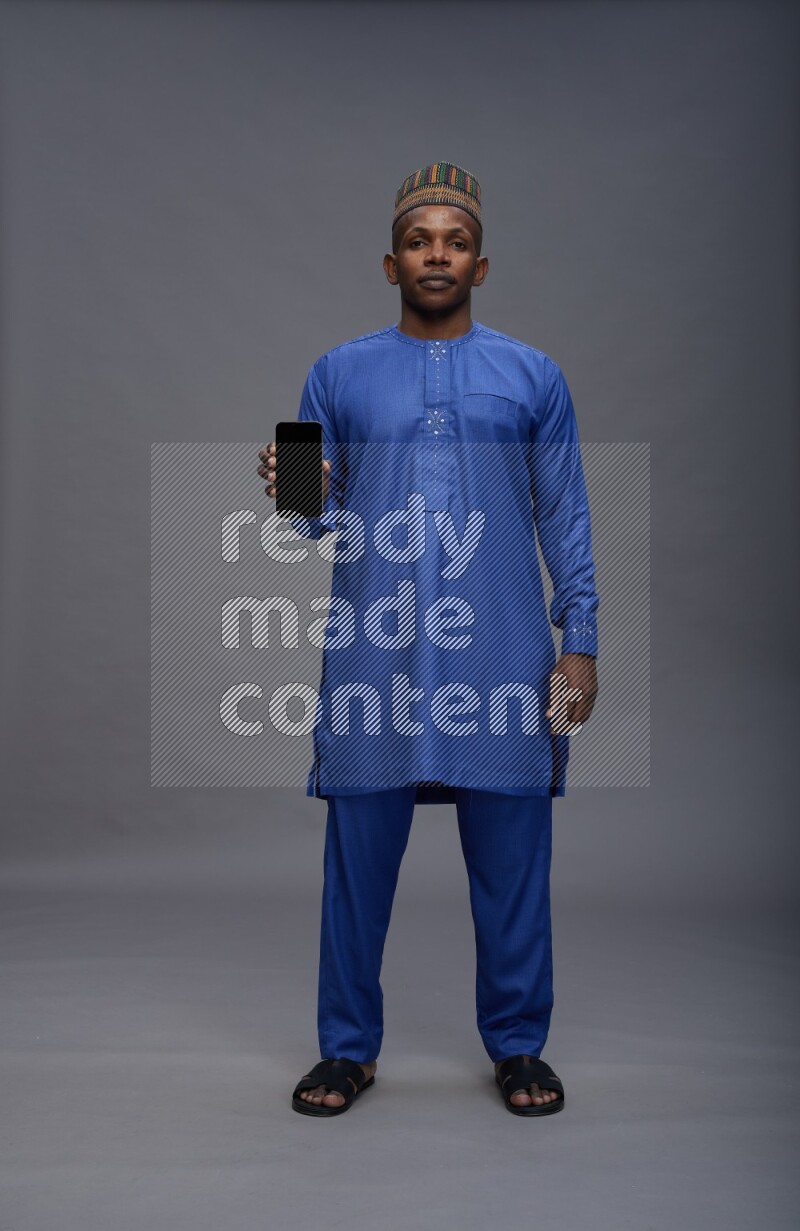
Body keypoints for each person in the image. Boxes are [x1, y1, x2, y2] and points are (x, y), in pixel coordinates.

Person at [257, 161, 599, 1117]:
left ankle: (520, 1046)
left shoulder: (534, 375)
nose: (436, 254)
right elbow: (310, 518)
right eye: (419, 240)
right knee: (357, 862)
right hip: (379, 652)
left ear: (480, 265)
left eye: (454, 240)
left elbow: (565, 513)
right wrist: (293, 483)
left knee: (513, 857)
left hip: (504, 648)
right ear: (390, 261)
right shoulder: (337, 371)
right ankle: (346, 1049)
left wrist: (583, 639)